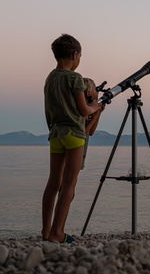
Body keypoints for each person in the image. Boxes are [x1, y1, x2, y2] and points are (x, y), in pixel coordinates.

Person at [41, 34, 104, 243]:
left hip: (55, 133)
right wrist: (97, 107)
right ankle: (58, 233)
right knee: (69, 183)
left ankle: (46, 230)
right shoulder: (75, 78)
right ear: (75, 54)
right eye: (80, 57)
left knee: (53, 182)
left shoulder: (50, 78)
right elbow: (84, 108)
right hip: (74, 134)